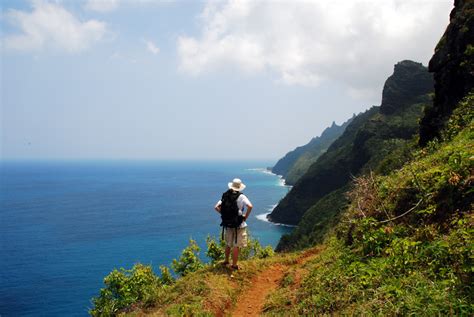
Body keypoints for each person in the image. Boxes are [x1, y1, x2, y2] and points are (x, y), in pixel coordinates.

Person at [214, 178, 253, 270]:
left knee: (228, 244)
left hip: (228, 223)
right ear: (240, 187)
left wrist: (224, 214)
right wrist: (245, 217)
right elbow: (250, 206)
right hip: (239, 224)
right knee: (236, 245)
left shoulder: (226, 195)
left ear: (231, 186)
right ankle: (234, 265)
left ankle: (226, 261)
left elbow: (216, 207)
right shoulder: (242, 196)